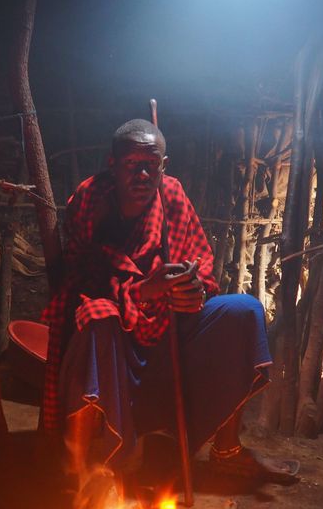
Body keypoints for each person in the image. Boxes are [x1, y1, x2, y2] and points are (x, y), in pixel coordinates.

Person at [42, 119, 299, 488]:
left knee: (245, 310)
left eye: (152, 164)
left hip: (170, 330)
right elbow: (81, 279)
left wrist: (190, 290)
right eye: (133, 165)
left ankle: (227, 452)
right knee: (96, 316)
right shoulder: (90, 199)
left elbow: (201, 267)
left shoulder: (172, 195)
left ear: (164, 164)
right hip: (116, 337)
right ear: (112, 164)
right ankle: (81, 473)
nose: (143, 174)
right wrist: (143, 291)